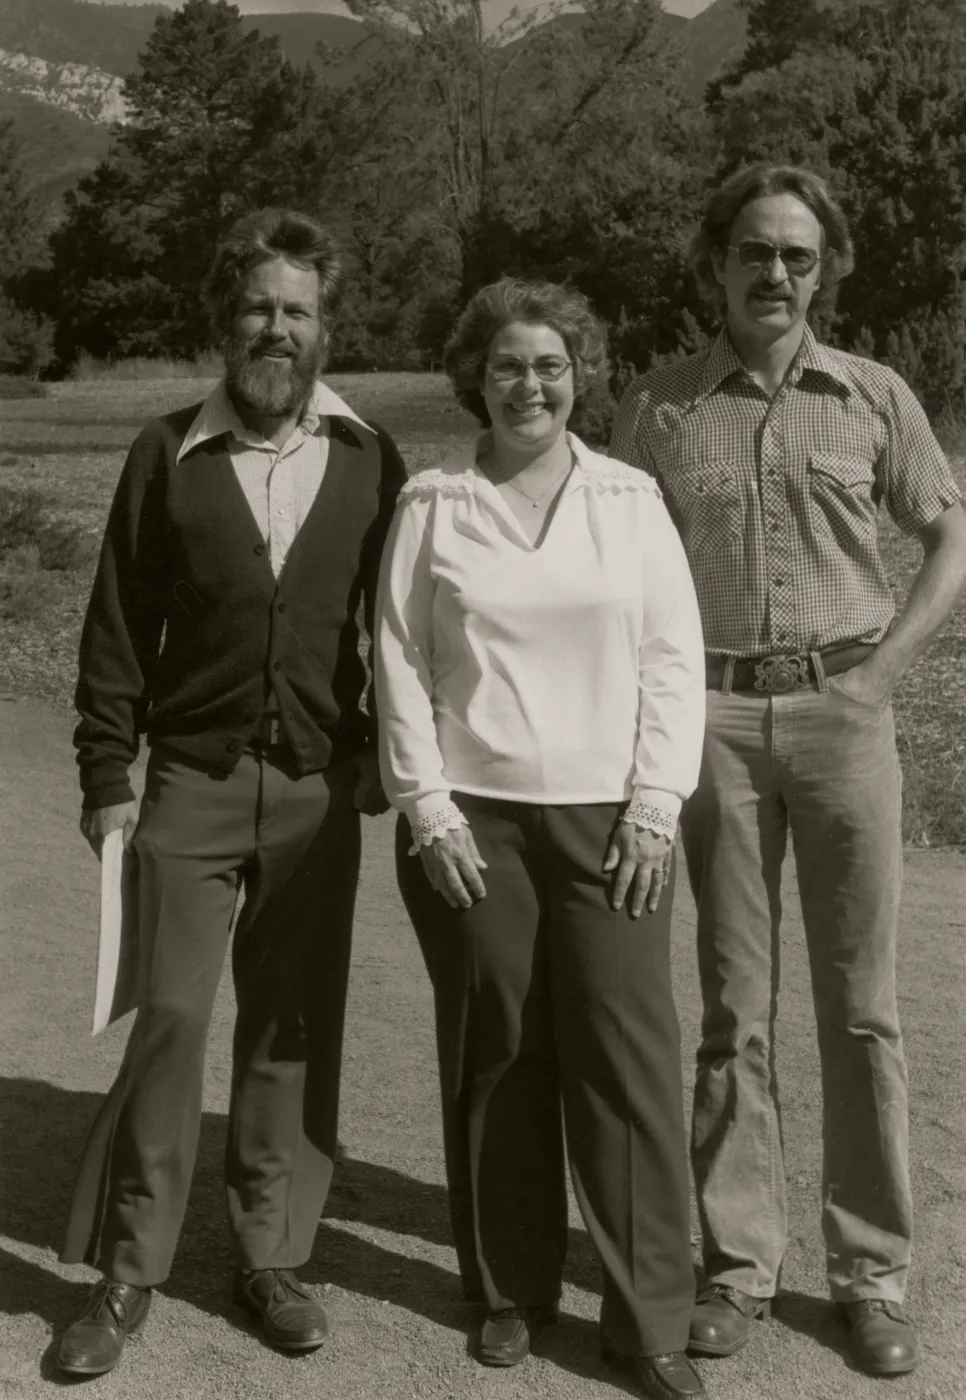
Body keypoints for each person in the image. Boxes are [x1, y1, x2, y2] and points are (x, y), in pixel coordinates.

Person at [610, 163, 966, 1379]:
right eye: (754, 252)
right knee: (731, 1006)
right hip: (709, 719)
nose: (775, 274)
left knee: (863, 1007)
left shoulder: (874, 397)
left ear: (828, 269)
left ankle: (870, 1273)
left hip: (843, 714)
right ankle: (738, 1261)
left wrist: (877, 676)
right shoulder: (660, 408)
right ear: (716, 264)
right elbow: (615, 569)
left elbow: (950, 531)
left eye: (798, 257)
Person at [55, 207, 407, 1377]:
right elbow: (116, 625)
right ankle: (126, 1268)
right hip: (191, 785)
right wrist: (109, 770)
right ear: (225, 319)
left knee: (288, 1030)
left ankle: (271, 1253)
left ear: (325, 326)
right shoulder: (167, 452)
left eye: (298, 310)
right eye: (258, 306)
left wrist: (374, 759)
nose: (277, 327)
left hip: (315, 790)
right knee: (170, 1022)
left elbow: (398, 628)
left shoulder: (372, 456)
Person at [375, 277, 708, 1400]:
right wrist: (426, 808)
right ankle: (512, 1288)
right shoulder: (432, 502)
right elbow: (400, 660)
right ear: (479, 374)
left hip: (615, 821)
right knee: (499, 1052)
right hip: (475, 826)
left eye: (552, 365)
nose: (532, 384)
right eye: (510, 364)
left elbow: (673, 656)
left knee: (628, 1063)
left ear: (582, 376)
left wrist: (659, 799)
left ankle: (651, 1315)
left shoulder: (628, 498)